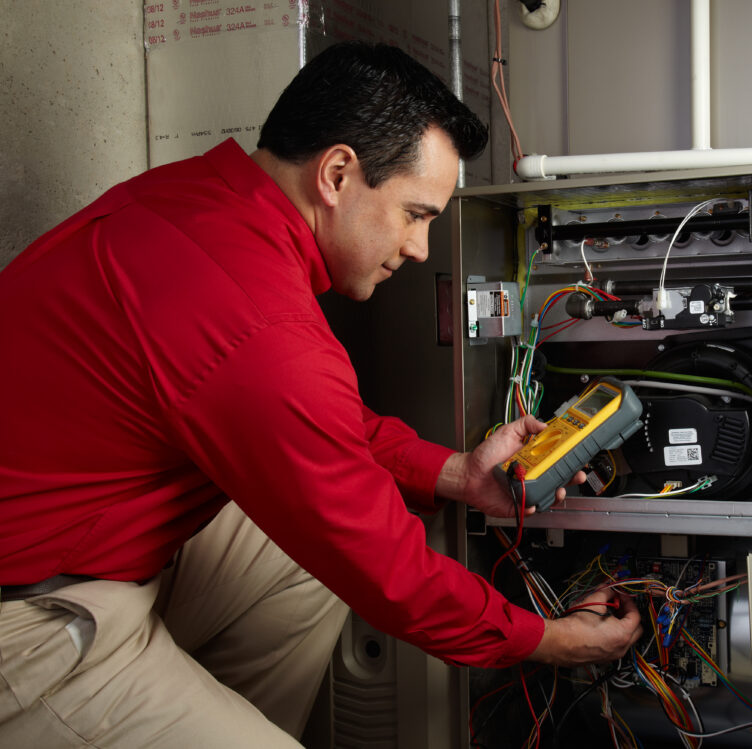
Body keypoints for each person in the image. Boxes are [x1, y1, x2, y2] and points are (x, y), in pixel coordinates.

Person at [0, 41, 641, 747]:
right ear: (336, 173)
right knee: (341, 556)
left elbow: (310, 426)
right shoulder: (259, 324)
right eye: (416, 214)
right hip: (31, 617)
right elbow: (391, 573)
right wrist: (551, 640)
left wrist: (455, 473)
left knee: (294, 563)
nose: (422, 248)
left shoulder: (193, 200)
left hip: (78, 541)